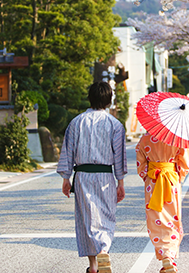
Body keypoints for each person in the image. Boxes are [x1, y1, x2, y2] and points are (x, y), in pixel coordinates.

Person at [57, 81, 127, 273]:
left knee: (86, 219)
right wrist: (120, 182)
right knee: (106, 216)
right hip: (105, 176)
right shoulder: (115, 125)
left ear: (90, 97)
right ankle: (104, 249)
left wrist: (66, 178)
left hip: (82, 177)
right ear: (109, 100)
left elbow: (68, 151)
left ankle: (93, 266)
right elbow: (119, 156)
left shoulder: (76, 122)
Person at [136, 133, 189, 273]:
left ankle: (165, 253)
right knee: (173, 217)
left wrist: (147, 176)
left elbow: (140, 164)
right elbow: (184, 163)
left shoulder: (145, 138)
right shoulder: (178, 138)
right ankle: (169, 255)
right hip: (171, 179)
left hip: (152, 180)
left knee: (156, 219)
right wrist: (179, 176)